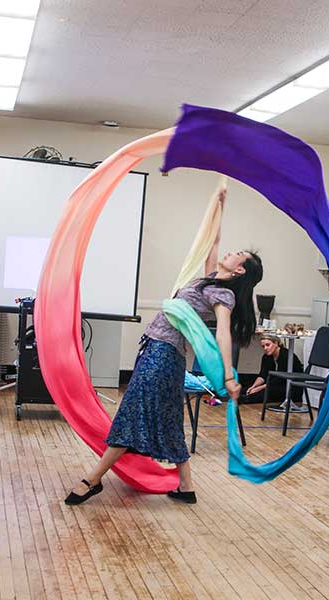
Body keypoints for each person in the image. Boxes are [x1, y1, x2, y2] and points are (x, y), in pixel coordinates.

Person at [65, 188, 263, 506]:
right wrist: (219, 206)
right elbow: (211, 243)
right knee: (169, 421)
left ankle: (93, 479)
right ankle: (186, 487)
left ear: (240, 270)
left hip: (163, 355)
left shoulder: (223, 295)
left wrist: (228, 375)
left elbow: (222, 334)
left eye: (238, 253)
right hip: (158, 351)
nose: (230, 251)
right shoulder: (211, 279)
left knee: (130, 417)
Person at [240, 335, 303, 405]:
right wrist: (253, 386)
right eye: (263, 346)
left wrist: (260, 388)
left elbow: (280, 379)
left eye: (268, 345)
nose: (265, 348)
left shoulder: (286, 355)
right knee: (247, 383)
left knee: (267, 391)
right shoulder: (266, 356)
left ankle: (244, 399)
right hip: (273, 383)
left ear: (276, 343)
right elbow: (263, 375)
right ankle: (242, 395)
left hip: (289, 386)